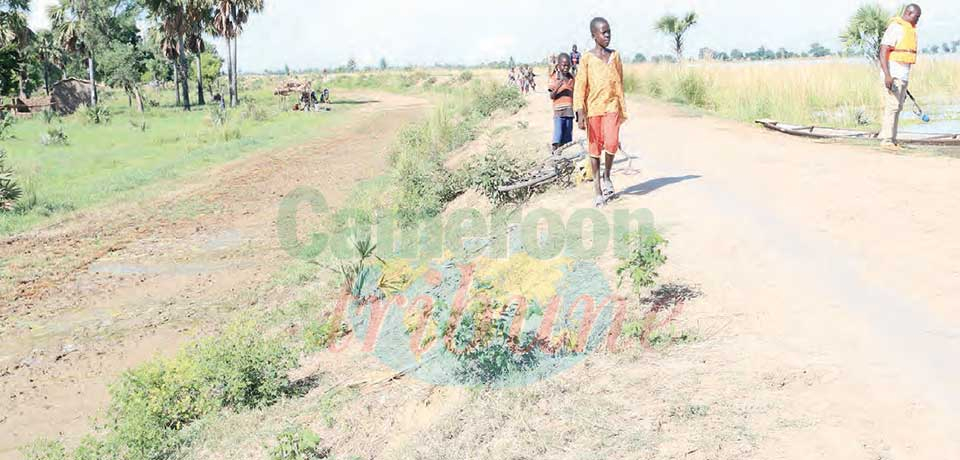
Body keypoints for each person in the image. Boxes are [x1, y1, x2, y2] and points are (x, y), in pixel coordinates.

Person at [574, 17, 627, 207]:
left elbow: (619, 81)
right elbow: (580, 85)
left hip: (612, 106)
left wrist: (621, 106)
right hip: (593, 108)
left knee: (612, 143)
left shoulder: (615, 56)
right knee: (595, 149)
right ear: (593, 35)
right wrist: (579, 111)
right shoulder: (587, 58)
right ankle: (597, 189)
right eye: (603, 32)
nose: (607, 35)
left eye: (609, 31)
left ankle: (607, 176)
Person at [879, 4, 922, 148]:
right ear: (909, 13)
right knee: (892, 106)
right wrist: (887, 75)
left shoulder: (908, 29)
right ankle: (887, 140)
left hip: (902, 75)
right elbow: (884, 50)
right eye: (916, 17)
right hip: (894, 74)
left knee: (897, 107)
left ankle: (892, 139)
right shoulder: (896, 28)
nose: (917, 21)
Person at [549, 53, 576, 150]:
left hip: (569, 112)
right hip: (559, 113)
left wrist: (577, 112)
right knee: (558, 136)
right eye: (563, 65)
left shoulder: (572, 78)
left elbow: (574, 95)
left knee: (567, 138)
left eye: (568, 65)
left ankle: (564, 159)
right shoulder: (555, 77)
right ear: (558, 65)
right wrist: (558, 87)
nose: (566, 67)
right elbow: (551, 96)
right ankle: (555, 155)